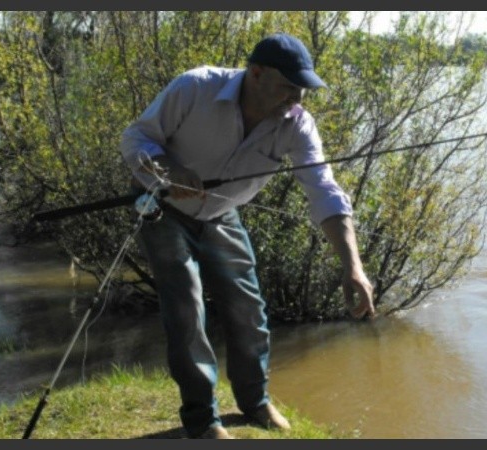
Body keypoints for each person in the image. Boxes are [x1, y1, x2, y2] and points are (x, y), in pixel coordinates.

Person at [119, 32, 376, 439]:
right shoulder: (195, 87)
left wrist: (353, 268)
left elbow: (324, 190)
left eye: (303, 88)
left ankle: (255, 401)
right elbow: (136, 137)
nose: (297, 97)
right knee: (186, 309)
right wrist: (167, 169)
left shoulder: (297, 124)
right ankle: (203, 421)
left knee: (248, 307)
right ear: (255, 73)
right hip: (163, 209)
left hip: (220, 213)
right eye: (289, 86)